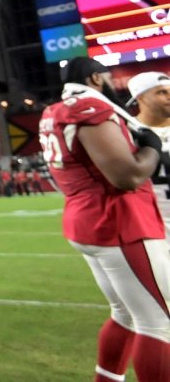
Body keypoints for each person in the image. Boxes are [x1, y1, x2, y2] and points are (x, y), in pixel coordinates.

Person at [38, 56, 170, 382]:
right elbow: (126, 176)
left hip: (88, 219)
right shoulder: (89, 108)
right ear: (96, 78)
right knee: (158, 323)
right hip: (118, 222)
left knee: (125, 314)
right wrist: (151, 150)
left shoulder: (54, 110)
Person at [127, 71, 170, 236]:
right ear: (140, 98)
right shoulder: (128, 132)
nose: (169, 96)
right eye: (161, 92)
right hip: (152, 225)